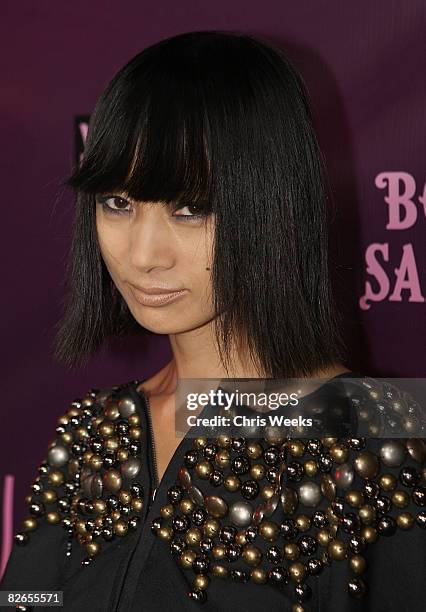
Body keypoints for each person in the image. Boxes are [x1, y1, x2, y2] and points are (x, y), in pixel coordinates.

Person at [1, 30, 425, 612]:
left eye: (190, 208)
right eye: (118, 204)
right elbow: (29, 598)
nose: (144, 254)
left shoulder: (380, 438)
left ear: (273, 207)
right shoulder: (93, 433)